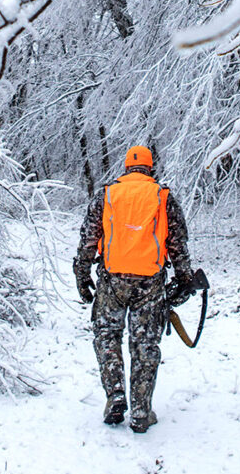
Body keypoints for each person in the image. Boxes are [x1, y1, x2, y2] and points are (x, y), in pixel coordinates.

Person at [72, 145, 196, 433]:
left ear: (127, 167)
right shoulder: (163, 196)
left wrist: (81, 273)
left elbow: (89, 238)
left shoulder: (107, 194)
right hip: (150, 282)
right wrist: (185, 277)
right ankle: (141, 410)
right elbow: (177, 243)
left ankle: (115, 393)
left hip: (112, 280)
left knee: (106, 335)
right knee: (145, 346)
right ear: (150, 168)